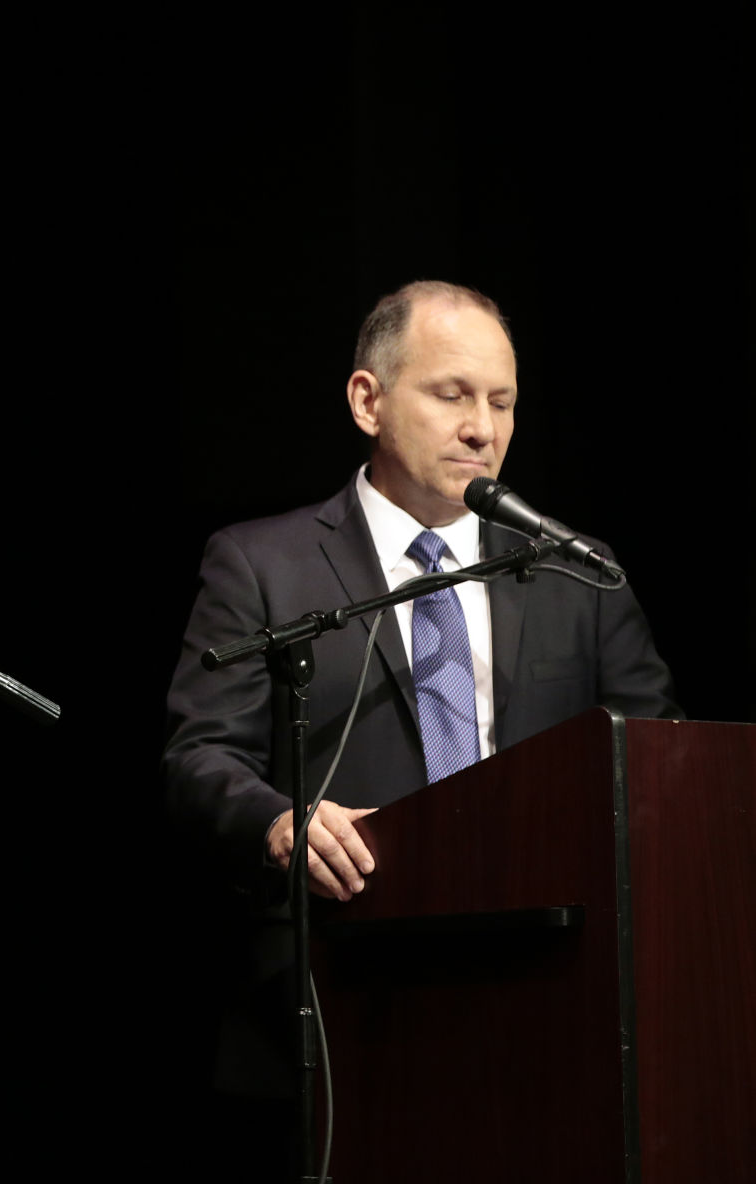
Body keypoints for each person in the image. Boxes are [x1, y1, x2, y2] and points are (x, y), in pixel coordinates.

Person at [161, 280, 680, 1173]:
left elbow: (661, 763)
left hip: (543, 997)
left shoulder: (575, 572)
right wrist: (280, 821)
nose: (483, 427)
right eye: (452, 394)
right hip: (341, 997)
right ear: (368, 400)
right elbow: (200, 755)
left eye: (502, 401)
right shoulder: (262, 564)